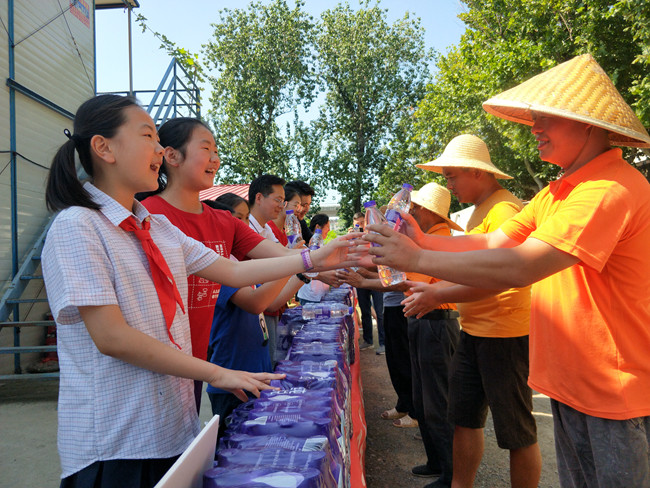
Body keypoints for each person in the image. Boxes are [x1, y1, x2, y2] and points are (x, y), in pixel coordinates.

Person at [364, 54, 650, 487]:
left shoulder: (608, 190)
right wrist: (421, 241)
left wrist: (417, 259)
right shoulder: (559, 192)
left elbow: (521, 266)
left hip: (612, 387)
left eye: (545, 119)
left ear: (587, 123)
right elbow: (496, 242)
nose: (534, 129)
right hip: (576, 379)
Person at [42, 95, 357, 487]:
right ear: (103, 147)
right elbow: (112, 337)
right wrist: (218, 373)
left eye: (159, 138)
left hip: (173, 428)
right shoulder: (78, 226)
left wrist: (315, 259)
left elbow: (230, 270)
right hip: (116, 440)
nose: (159, 149)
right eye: (147, 136)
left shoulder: (155, 228)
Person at [404, 136, 540, 488]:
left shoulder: (505, 210)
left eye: (451, 176)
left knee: (516, 431)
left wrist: (439, 293)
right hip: (475, 329)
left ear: (476, 172)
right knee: (464, 418)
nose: (448, 184)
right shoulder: (481, 210)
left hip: (505, 332)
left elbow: (502, 278)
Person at [140, 120, 291, 411]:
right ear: (171, 156)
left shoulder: (222, 221)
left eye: (216, 151)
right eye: (206, 149)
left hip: (196, 361)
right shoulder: (150, 218)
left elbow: (278, 256)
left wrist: (318, 259)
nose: (215, 159)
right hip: (155, 364)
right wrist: (308, 262)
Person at [343, 183, 463, 487]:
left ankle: (451, 473)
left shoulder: (437, 239)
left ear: (424, 211)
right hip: (424, 321)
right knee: (423, 398)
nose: (407, 215)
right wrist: (365, 276)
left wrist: (366, 281)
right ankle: (437, 460)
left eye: (413, 210)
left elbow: (407, 282)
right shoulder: (426, 239)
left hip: (436, 322)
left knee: (437, 400)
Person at [296, 214, 332, 304]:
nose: (329, 230)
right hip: (309, 297)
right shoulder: (304, 246)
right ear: (318, 227)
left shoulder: (321, 244)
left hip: (321, 294)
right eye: (327, 227)